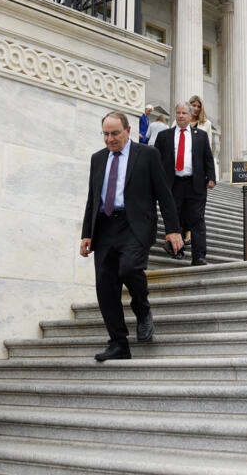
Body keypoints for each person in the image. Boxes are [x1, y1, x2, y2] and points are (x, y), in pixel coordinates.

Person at [80, 112, 183, 361]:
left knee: (128, 269)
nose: (110, 139)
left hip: (134, 224)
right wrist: (86, 234)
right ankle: (118, 343)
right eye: (105, 133)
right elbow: (93, 198)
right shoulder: (98, 159)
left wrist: (173, 230)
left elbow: (164, 194)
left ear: (128, 130)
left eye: (115, 133)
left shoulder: (147, 155)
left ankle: (142, 308)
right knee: (105, 286)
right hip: (104, 227)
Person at [152, 102, 217, 266]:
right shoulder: (164, 136)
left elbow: (208, 158)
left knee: (197, 220)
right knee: (176, 217)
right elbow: (156, 161)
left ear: (190, 116)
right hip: (173, 184)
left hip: (195, 184)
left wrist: (211, 177)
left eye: (184, 113)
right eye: (178, 113)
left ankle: (199, 256)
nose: (181, 116)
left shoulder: (201, 136)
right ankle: (177, 250)